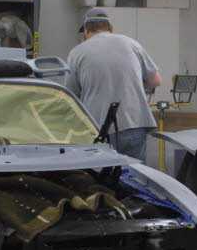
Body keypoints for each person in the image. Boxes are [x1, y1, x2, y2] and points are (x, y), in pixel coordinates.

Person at [65, 8, 161, 160]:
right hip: (134, 124)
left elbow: (70, 95)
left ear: (86, 31)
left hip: (98, 128)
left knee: (102, 173)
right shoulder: (132, 44)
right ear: (110, 28)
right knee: (133, 173)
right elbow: (155, 80)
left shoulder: (76, 53)